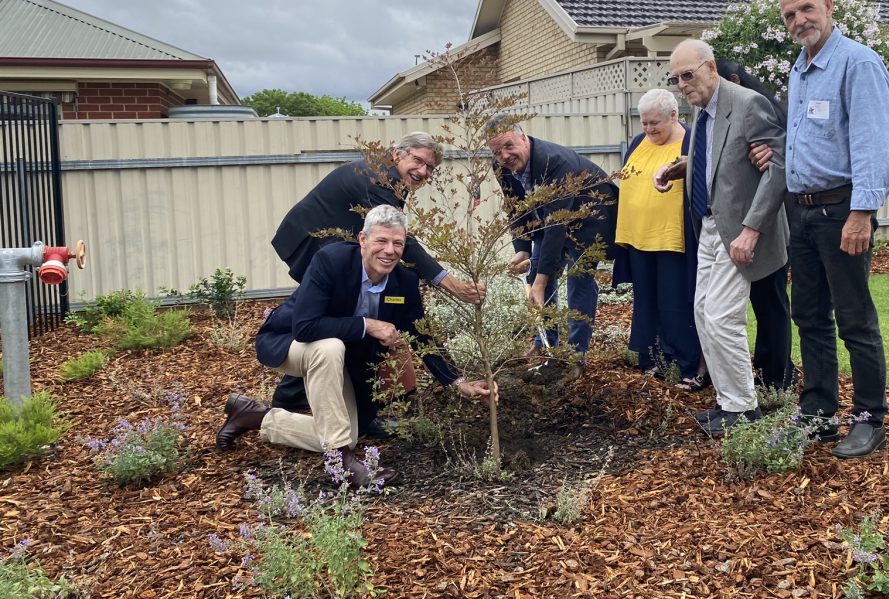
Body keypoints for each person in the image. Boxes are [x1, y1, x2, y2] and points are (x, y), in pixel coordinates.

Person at [216, 205, 491, 487]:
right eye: (381, 241)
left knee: (349, 431)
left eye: (397, 243)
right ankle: (342, 462)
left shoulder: (404, 282)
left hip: (343, 360)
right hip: (291, 342)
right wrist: (368, 324)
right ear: (363, 240)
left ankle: (256, 416)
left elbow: (423, 335)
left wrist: (459, 382)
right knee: (329, 347)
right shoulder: (331, 261)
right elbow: (305, 327)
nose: (390, 250)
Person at [752, 0, 889, 459]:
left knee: (854, 317)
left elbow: (875, 145)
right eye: (789, 15)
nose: (799, 21)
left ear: (829, 7)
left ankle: (869, 417)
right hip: (803, 212)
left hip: (842, 211)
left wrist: (862, 214)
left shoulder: (857, 63)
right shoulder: (800, 68)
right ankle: (819, 412)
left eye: (806, 9)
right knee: (808, 314)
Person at [269, 132, 482, 414]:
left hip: (329, 243)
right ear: (397, 154)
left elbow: (397, 241)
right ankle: (295, 394)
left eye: (430, 167)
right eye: (418, 161)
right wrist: (449, 283)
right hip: (310, 241)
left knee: (365, 314)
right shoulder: (381, 179)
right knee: (342, 315)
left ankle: (308, 396)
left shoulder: (389, 177)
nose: (423, 171)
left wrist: (455, 380)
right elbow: (404, 242)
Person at [653, 39, 787, 435]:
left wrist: (751, 230)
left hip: (740, 229)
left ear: (710, 67)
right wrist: (681, 168)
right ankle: (727, 401)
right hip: (708, 226)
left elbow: (778, 167)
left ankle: (744, 408)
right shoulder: (702, 112)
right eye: (675, 78)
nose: (681, 84)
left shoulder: (747, 104)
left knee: (722, 317)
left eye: (687, 75)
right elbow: (716, 161)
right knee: (701, 313)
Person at [487, 120, 617, 376]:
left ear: (523, 137)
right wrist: (522, 248)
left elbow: (557, 225)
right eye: (496, 151)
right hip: (548, 219)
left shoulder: (555, 162)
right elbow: (516, 208)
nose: (504, 156)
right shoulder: (501, 167)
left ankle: (576, 357)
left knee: (578, 280)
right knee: (536, 275)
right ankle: (544, 343)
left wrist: (542, 280)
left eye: (509, 146)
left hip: (589, 219)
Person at [715, 59, 796, 393]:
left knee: (771, 301)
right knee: (765, 301)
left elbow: (779, 164)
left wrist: (774, 153)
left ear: (734, 81)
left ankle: (776, 376)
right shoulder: (729, 118)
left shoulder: (756, 110)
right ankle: (769, 372)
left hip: (769, 222)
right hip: (743, 221)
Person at [612, 88, 702, 382]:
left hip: (673, 240)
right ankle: (653, 358)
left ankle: (684, 363)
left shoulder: (691, 141)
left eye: (655, 123)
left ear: (674, 115)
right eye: (644, 122)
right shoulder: (639, 142)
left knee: (674, 303)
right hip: (638, 238)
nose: (649, 129)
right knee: (647, 300)